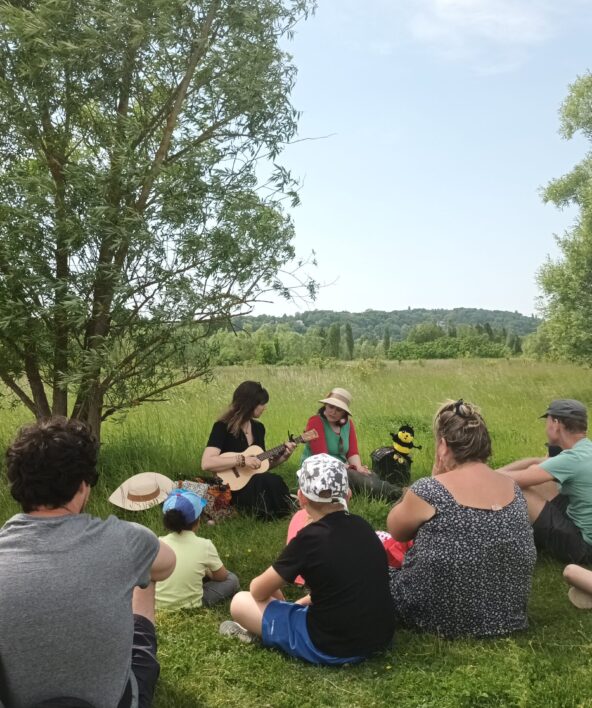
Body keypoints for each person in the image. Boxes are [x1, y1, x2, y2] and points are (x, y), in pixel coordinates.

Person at [0, 417, 176, 708]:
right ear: (82, 487)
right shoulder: (128, 540)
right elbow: (167, 563)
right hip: (118, 702)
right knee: (145, 574)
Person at [218, 454, 395, 664]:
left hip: (330, 645)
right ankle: (283, 619)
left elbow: (258, 591)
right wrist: (299, 604)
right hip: (379, 637)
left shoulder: (309, 538)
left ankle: (266, 632)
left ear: (301, 498)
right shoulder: (363, 526)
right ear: (348, 495)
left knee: (240, 602)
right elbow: (342, 588)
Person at [387, 399, 536, 638]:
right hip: (508, 617)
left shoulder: (430, 490)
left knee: (377, 573)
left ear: (443, 446)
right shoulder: (513, 486)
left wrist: (433, 477)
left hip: (439, 617)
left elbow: (396, 530)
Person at [499, 399, 592, 564]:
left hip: (584, 547)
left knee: (518, 490)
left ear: (556, 424)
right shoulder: (585, 451)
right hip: (582, 525)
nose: (546, 427)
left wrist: (476, 475)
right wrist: (490, 473)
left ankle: (505, 541)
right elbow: (537, 465)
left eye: (547, 421)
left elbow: (513, 481)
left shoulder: (572, 459)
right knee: (540, 478)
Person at [201, 381, 295, 520]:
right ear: (250, 404)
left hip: (253, 481)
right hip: (230, 486)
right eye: (262, 404)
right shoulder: (222, 427)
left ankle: (282, 512)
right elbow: (206, 463)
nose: (265, 408)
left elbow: (259, 466)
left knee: (272, 480)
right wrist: (242, 460)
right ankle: (282, 510)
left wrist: (282, 458)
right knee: (268, 482)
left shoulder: (259, 428)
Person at [300, 387, 402, 501]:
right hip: (319, 470)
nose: (333, 412)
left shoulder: (348, 424)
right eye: (330, 407)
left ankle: (387, 495)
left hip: (342, 467)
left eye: (338, 409)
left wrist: (358, 467)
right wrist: (350, 467)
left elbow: (352, 452)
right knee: (357, 477)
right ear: (325, 405)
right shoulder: (315, 422)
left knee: (369, 475)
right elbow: (322, 457)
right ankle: (400, 494)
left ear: (344, 412)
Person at [155, 489, 239, 610]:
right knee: (232, 579)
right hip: (192, 604)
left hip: (158, 603)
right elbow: (222, 577)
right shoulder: (205, 545)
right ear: (198, 520)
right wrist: (207, 572)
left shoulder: (158, 543)